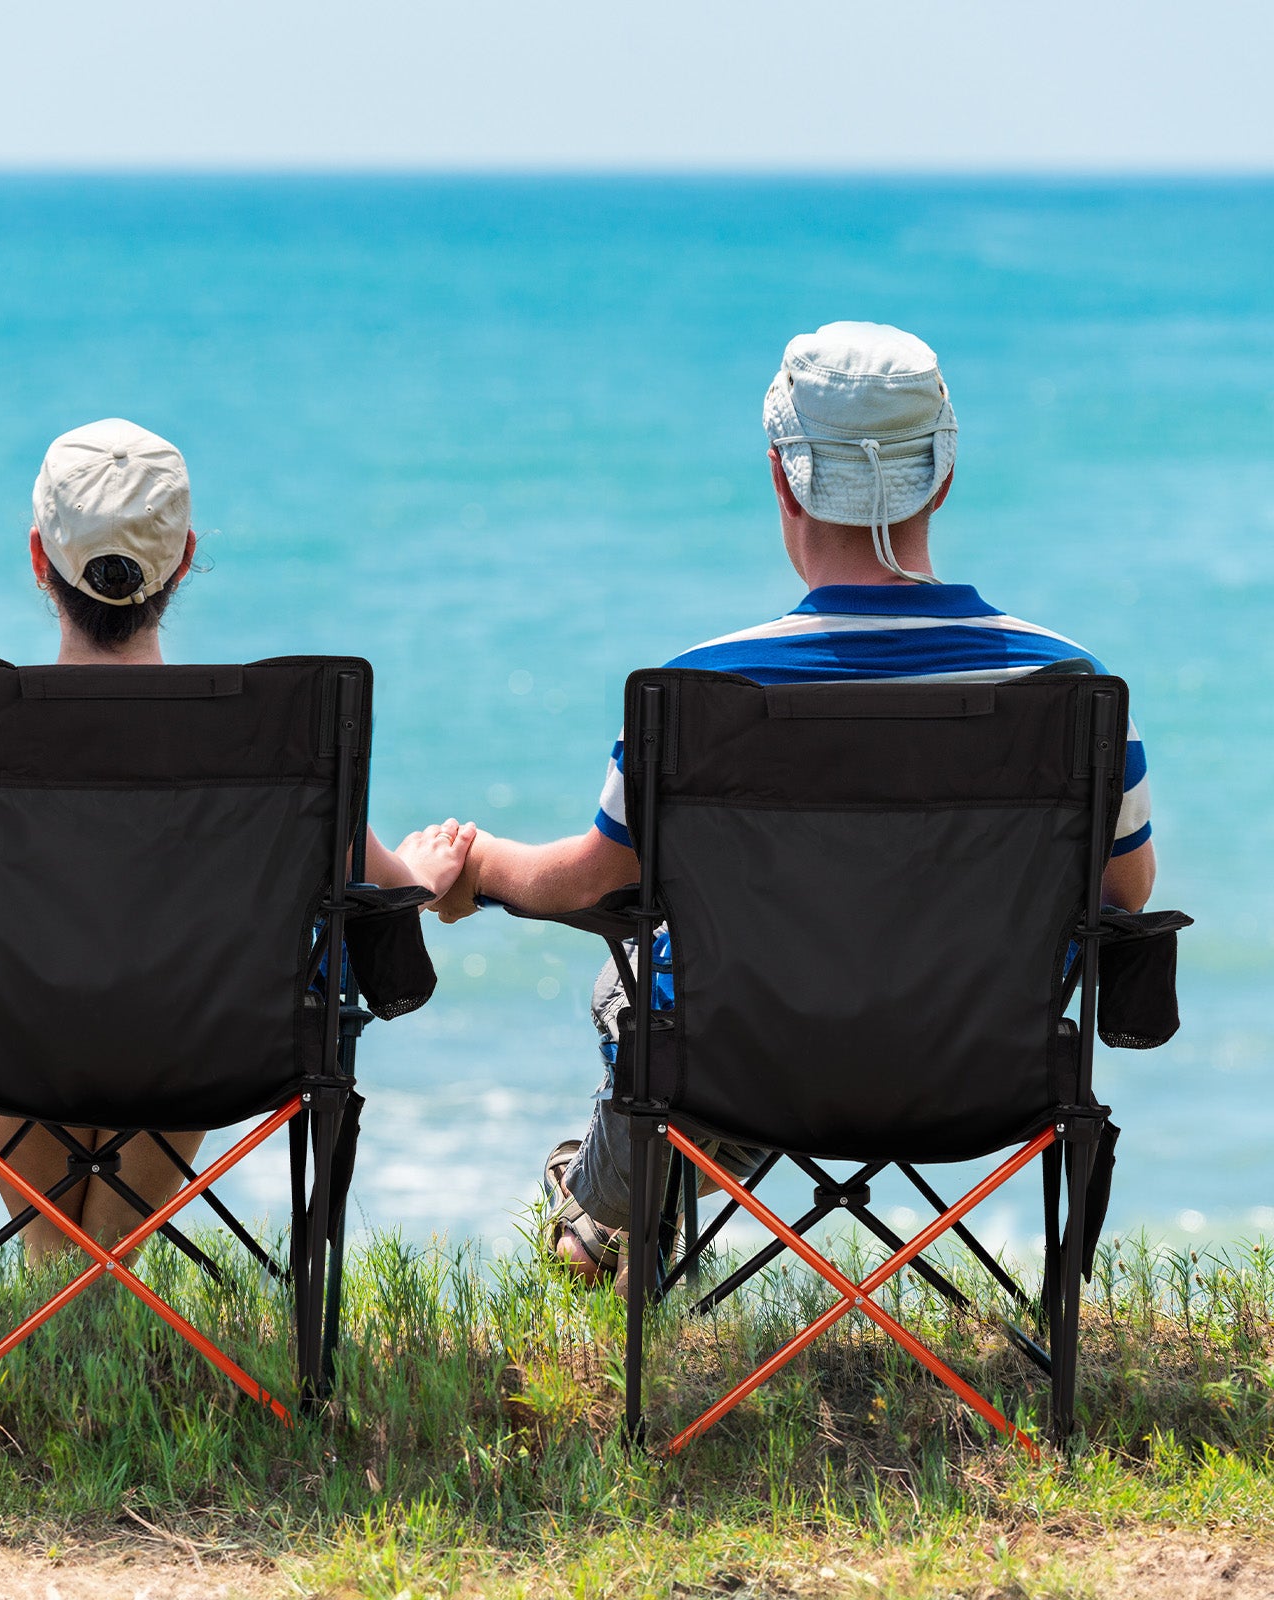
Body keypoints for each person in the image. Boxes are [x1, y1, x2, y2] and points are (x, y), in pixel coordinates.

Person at [431, 322, 1157, 1289]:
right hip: (979, 1071)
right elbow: (1124, 895)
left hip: (750, 1068)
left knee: (647, 980)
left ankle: (603, 1218)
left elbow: (591, 883)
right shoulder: (1070, 688)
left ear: (783, 478)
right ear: (942, 477)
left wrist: (477, 866)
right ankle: (608, 1217)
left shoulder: (698, 694)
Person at [0, 417, 475, 1264]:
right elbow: (391, 888)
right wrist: (429, 871)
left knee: (34, 1001)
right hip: (206, 1052)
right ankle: (103, 1271)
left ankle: (66, 1276)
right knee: (180, 993)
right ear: (183, 560)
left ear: (39, 558)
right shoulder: (275, 740)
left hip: (8, 1049)